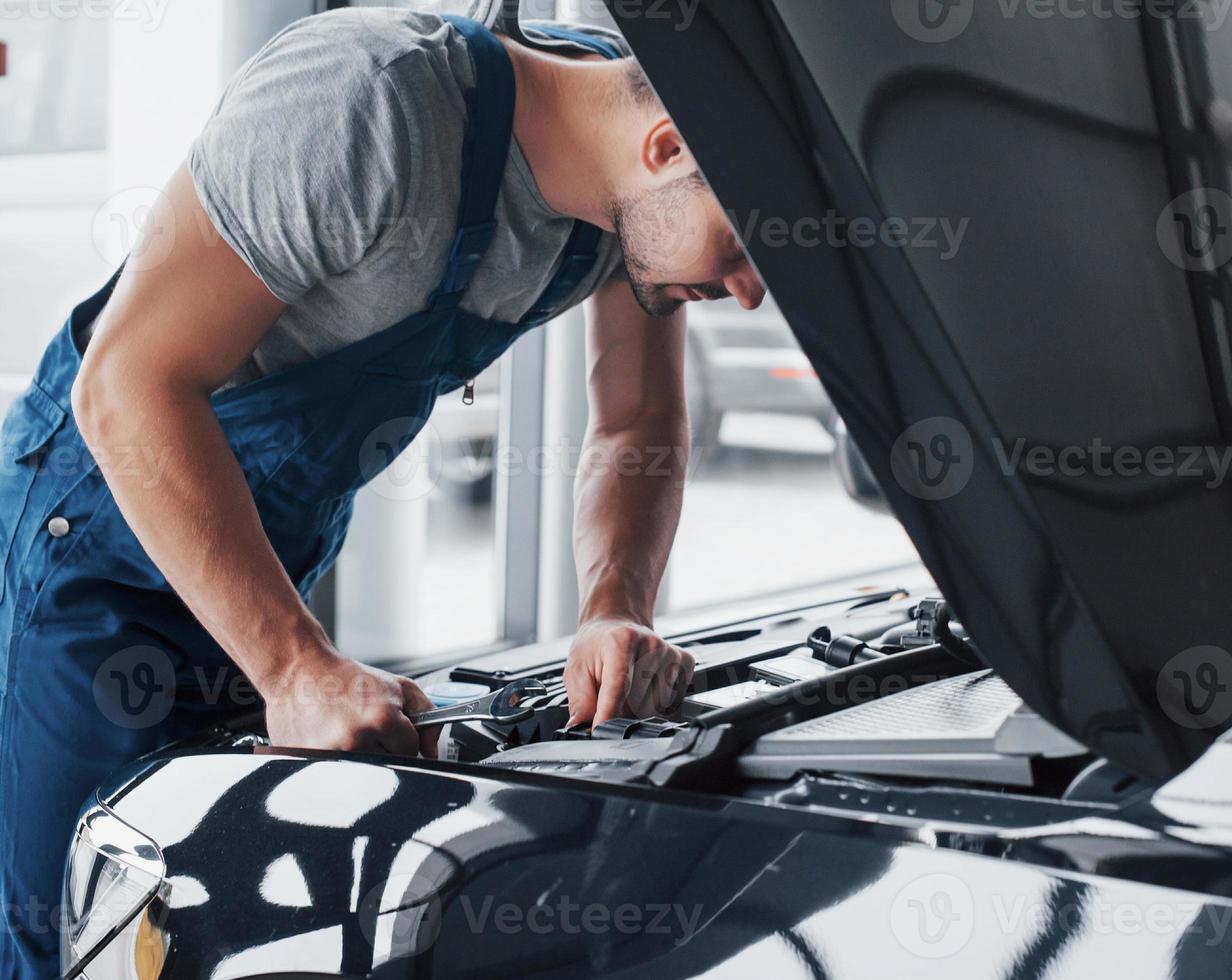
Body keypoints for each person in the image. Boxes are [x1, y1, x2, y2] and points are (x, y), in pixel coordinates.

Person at [0, 3, 765, 975]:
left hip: (261, 557)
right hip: (99, 545)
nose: (748, 291)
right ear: (663, 149)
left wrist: (610, 611)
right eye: (740, 247)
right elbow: (123, 386)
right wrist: (293, 670)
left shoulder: (628, 186)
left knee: (199, 919)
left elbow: (636, 419)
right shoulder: (368, 106)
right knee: (69, 927)